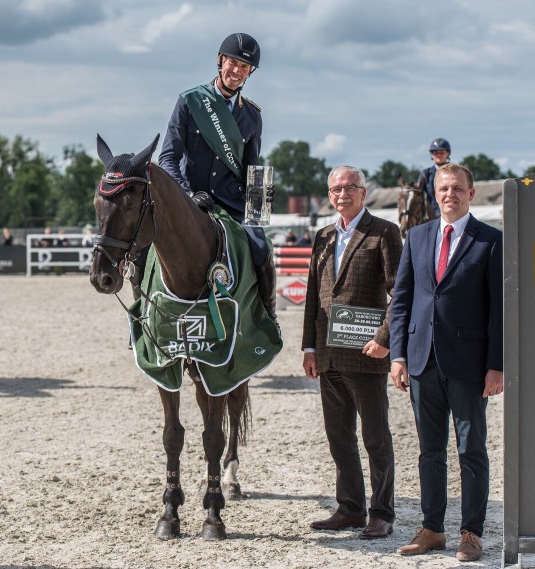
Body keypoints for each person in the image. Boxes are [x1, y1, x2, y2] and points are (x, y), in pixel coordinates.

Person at [389, 162, 503, 562]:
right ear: (434, 193)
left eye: (457, 188)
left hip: (470, 365)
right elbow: (402, 301)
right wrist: (398, 355)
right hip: (422, 361)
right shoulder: (417, 237)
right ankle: (432, 528)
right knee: (429, 451)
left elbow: (498, 310)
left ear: (471, 194)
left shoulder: (490, 240)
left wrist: (497, 365)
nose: (449, 194)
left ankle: (471, 533)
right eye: (443, 188)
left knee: (472, 449)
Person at [302, 165, 403, 540]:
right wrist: (309, 347)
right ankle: (349, 508)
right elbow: (314, 296)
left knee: (376, 438)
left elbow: (400, 293)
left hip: (367, 354)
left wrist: (385, 338)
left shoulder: (384, 233)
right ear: (329, 195)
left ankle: (382, 512)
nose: (342, 193)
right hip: (327, 356)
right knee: (338, 437)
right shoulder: (323, 236)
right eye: (336, 188)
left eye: (350, 187)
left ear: (364, 192)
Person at [158, 32, 277, 320]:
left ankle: (268, 317)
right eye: (232, 63)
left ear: (250, 73)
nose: (236, 72)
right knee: (142, 248)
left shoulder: (252, 115)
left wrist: (259, 217)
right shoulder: (190, 101)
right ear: (220, 61)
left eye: (244, 67)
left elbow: (253, 168)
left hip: (232, 203)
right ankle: (140, 313)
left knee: (262, 251)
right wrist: (186, 195)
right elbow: (167, 158)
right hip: (189, 199)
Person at [414, 138, 451, 219]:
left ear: (448, 153)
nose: (439, 155)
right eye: (436, 152)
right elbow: (418, 195)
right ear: (432, 155)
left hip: (452, 214)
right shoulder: (425, 174)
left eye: (442, 152)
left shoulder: (456, 172)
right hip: (432, 216)